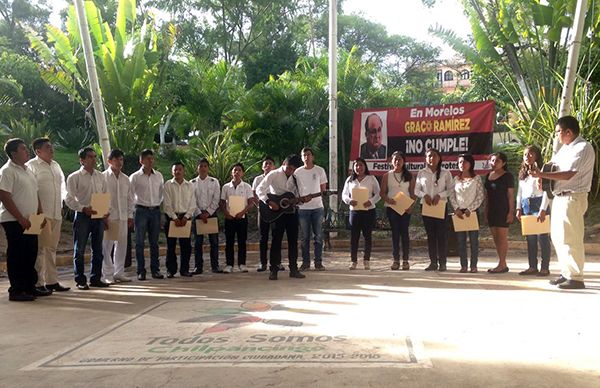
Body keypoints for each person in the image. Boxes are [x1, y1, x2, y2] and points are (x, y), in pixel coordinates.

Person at [530, 116, 595, 289]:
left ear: (569, 132)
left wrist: (542, 175)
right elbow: (553, 166)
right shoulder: (565, 148)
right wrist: (542, 178)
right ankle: (566, 272)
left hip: (573, 196)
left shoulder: (583, 147)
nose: (557, 135)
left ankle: (576, 277)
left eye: (559, 131)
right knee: (559, 237)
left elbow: (568, 174)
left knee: (571, 237)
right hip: (559, 196)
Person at [0, 138, 49, 301]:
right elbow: (4, 196)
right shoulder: (7, 171)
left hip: (31, 220)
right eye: (22, 149)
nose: (27, 151)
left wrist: (40, 214)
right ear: (13, 153)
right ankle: (16, 290)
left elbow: (35, 194)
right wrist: (20, 218)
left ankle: (30, 286)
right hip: (14, 220)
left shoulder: (28, 170)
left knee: (31, 252)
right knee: (17, 254)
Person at [27, 138, 70, 292]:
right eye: (48, 147)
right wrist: (37, 212)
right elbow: (30, 191)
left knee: (51, 248)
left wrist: (62, 204)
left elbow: (63, 187)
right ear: (38, 151)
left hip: (56, 213)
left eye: (52, 147)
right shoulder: (30, 166)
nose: (52, 150)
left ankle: (52, 281)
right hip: (38, 215)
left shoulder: (56, 165)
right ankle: (37, 283)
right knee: (38, 249)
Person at [256, 154, 306, 280]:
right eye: (289, 167)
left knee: (293, 241)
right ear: (284, 163)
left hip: (291, 212)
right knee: (276, 241)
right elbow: (259, 189)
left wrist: (301, 200)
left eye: (293, 169)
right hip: (277, 212)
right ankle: (274, 269)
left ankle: (293, 269)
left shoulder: (295, 178)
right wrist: (269, 202)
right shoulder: (273, 174)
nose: (290, 170)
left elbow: (299, 196)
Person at [65, 147, 109, 289]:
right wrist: (83, 208)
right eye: (90, 157)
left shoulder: (100, 176)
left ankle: (96, 278)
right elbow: (69, 199)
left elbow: (105, 194)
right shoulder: (74, 177)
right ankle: (80, 280)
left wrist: (105, 211)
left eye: (95, 156)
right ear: (82, 160)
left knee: (98, 248)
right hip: (83, 215)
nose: (94, 159)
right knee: (80, 249)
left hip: (98, 215)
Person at [515, 145, 551, 277]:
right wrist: (518, 207)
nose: (527, 157)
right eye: (525, 154)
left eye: (531, 154)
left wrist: (543, 209)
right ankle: (532, 266)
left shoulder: (542, 171)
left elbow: (546, 191)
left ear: (537, 156)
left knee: (542, 237)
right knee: (530, 238)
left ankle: (545, 267)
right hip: (526, 205)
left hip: (539, 203)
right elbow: (520, 192)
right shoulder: (523, 173)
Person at [415, 148, 452, 271]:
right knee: (431, 235)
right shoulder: (421, 173)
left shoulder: (445, 173)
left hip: (440, 206)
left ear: (439, 158)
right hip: (426, 206)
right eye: (429, 156)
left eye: (434, 156)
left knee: (441, 235)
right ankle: (433, 262)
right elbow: (416, 190)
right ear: (426, 158)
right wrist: (424, 195)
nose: (432, 158)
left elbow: (451, 189)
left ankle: (443, 263)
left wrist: (439, 195)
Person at [130, 149, 164, 280]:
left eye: (152, 158)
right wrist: (132, 211)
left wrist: (158, 207)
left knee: (154, 243)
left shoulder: (159, 176)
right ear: (141, 161)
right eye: (147, 159)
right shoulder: (135, 177)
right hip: (141, 211)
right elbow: (130, 195)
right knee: (139, 242)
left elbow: (162, 194)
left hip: (155, 211)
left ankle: (155, 270)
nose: (151, 161)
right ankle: (141, 271)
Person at [101, 149, 134, 283]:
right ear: (109, 161)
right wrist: (103, 215)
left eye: (121, 159)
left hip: (123, 216)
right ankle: (107, 274)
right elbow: (101, 196)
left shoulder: (126, 179)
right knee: (107, 246)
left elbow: (130, 199)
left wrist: (130, 215)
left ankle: (118, 272)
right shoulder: (103, 177)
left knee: (122, 245)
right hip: (109, 216)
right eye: (116, 159)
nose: (119, 162)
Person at [342, 158, 381, 270]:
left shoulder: (371, 178)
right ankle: (353, 261)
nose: (359, 167)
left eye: (361, 165)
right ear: (353, 168)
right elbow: (344, 195)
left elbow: (378, 194)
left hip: (368, 211)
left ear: (365, 166)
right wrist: (349, 201)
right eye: (356, 165)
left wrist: (371, 201)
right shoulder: (350, 180)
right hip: (354, 211)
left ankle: (366, 260)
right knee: (354, 237)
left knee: (367, 236)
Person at [449, 153, 485, 273]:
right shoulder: (455, 179)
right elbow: (452, 196)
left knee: (474, 241)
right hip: (459, 212)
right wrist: (456, 208)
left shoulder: (477, 178)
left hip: (472, 212)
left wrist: (471, 208)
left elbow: (480, 196)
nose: (462, 165)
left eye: (464, 162)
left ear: (471, 164)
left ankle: (473, 265)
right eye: (459, 162)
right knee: (461, 241)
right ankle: (463, 265)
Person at [380, 151, 415, 271]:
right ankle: (396, 260)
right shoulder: (387, 176)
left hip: (405, 208)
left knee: (404, 233)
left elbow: (412, 193)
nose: (397, 162)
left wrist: (410, 206)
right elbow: (382, 193)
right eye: (395, 159)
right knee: (395, 234)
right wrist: (388, 200)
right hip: (392, 208)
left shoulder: (409, 175)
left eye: (399, 159)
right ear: (391, 161)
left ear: (404, 161)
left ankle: (405, 260)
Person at [295, 147, 328, 271]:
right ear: (302, 157)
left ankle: (318, 262)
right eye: (304, 155)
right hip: (303, 208)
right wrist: (301, 199)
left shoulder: (319, 170)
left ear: (313, 156)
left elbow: (323, 190)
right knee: (304, 237)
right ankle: (305, 262)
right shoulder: (297, 172)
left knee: (318, 236)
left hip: (317, 208)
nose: (306, 157)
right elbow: (294, 189)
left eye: (308, 154)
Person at [163, 162, 196, 278]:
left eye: (180, 169)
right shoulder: (168, 185)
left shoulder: (190, 185)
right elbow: (166, 204)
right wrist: (174, 218)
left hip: (185, 219)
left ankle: (185, 270)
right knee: (171, 246)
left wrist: (187, 216)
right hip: (172, 218)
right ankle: (171, 270)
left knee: (186, 246)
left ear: (184, 171)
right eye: (175, 170)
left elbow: (193, 203)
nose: (177, 171)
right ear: (172, 172)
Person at [484, 152, 515, 274]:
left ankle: (501, 264)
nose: (494, 163)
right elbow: (487, 196)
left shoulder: (508, 176)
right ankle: (503, 263)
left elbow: (510, 196)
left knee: (502, 237)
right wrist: (486, 211)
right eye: (492, 160)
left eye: (497, 161)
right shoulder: (488, 175)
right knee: (495, 237)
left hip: (503, 209)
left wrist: (510, 212)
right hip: (492, 209)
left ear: (503, 163)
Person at [221, 163, 254, 273]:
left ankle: (242, 264)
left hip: (242, 218)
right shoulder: (226, 187)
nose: (237, 172)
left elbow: (250, 203)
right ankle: (229, 264)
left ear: (242, 173)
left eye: (239, 170)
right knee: (229, 242)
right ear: (231, 172)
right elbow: (221, 202)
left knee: (242, 241)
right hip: (229, 218)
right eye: (235, 170)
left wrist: (242, 212)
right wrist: (226, 213)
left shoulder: (247, 187)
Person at [192, 158, 221, 274]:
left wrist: (208, 212)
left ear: (208, 168)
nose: (203, 168)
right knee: (198, 243)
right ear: (197, 168)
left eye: (205, 166)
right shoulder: (192, 183)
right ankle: (198, 267)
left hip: (211, 214)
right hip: (198, 214)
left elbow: (216, 198)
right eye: (201, 166)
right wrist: (199, 213)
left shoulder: (214, 182)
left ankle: (215, 266)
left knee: (214, 242)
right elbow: (191, 200)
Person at [252, 156, 276, 272]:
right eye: (265, 164)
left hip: (276, 211)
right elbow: (254, 194)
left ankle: (277, 262)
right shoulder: (257, 179)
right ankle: (263, 263)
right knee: (263, 237)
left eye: (270, 163)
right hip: (262, 210)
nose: (267, 166)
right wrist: (260, 206)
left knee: (277, 236)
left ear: (274, 166)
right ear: (262, 167)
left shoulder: (277, 178)